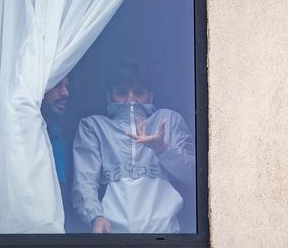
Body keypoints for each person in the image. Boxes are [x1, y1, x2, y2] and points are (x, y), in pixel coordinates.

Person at [72, 60, 195, 233]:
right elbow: (84, 181)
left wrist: (162, 149)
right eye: (122, 92)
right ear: (109, 97)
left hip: (165, 235)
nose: (130, 99)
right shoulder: (93, 126)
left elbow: (194, 176)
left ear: (150, 96)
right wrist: (94, 216)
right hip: (113, 235)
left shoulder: (168, 120)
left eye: (138, 92)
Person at [41, 76, 85, 233]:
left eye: (67, 86)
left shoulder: (57, 135)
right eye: (57, 84)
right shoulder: (24, 136)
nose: (65, 93)